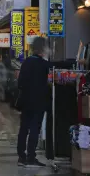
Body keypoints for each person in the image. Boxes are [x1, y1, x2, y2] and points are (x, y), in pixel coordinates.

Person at [16, 37, 72, 167]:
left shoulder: (26, 62)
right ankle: (31, 157)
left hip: (25, 102)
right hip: (38, 102)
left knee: (24, 128)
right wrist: (75, 61)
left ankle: (21, 157)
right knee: (35, 128)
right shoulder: (41, 63)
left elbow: (20, 83)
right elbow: (57, 65)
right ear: (42, 49)